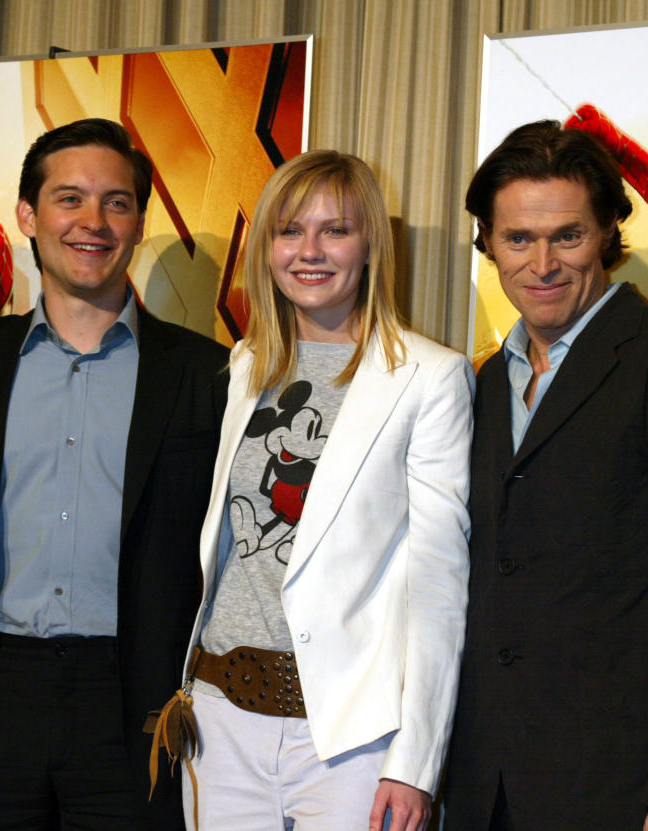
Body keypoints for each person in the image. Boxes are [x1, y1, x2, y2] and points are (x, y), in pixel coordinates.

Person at [442, 119, 648, 831]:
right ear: (488, 245)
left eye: (567, 235)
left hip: (635, 797)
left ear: (607, 235)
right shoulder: (472, 389)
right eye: (518, 239)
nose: (542, 264)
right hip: (490, 793)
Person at [0, 118, 228, 830]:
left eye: (116, 202)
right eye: (69, 199)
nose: (93, 221)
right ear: (27, 214)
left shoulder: (206, 373)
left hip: (138, 699)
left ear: (137, 220)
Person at [173, 149, 473, 831]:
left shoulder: (430, 377)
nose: (309, 250)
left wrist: (414, 762)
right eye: (288, 230)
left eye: (335, 230)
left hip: (348, 739)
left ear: (370, 245)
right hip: (220, 719)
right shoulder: (247, 363)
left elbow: (438, 583)